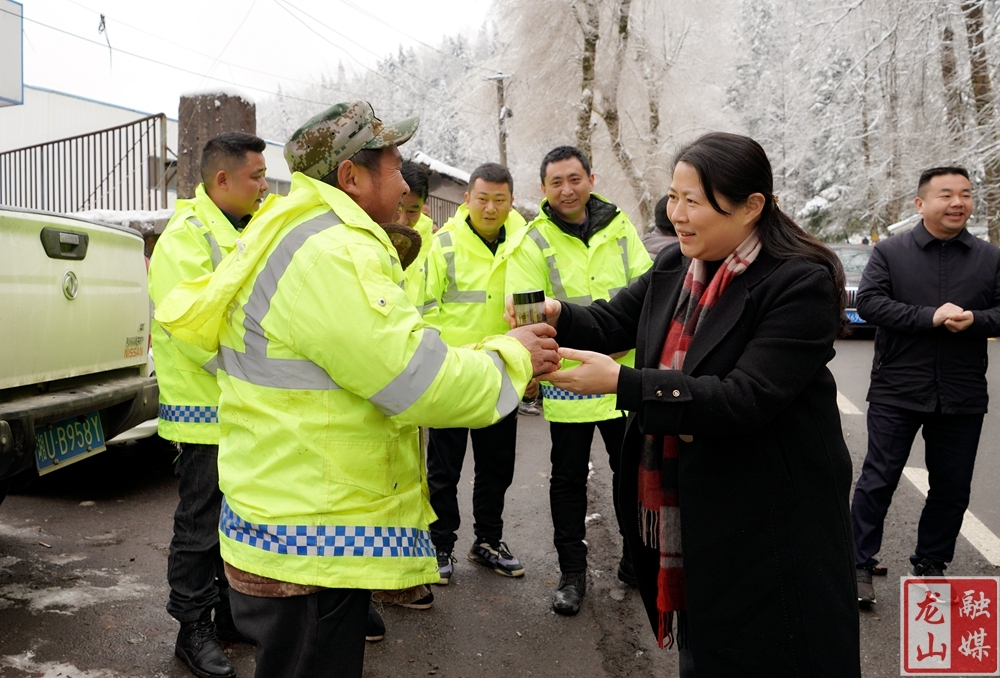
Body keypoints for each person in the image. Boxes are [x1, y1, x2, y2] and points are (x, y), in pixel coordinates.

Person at [154, 101, 560, 678]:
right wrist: (514, 357)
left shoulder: (301, 231)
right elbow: (416, 382)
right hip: (309, 538)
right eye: (395, 168)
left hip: (292, 516)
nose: (404, 184)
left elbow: (379, 356)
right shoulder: (332, 253)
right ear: (351, 176)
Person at [512, 132, 860, 676]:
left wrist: (625, 385)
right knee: (708, 648)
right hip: (697, 517)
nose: (678, 214)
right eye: (673, 197)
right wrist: (560, 313)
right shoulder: (678, 266)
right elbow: (613, 319)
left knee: (781, 652)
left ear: (751, 206)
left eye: (694, 201)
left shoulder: (799, 282)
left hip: (774, 522)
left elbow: (745, 399)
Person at [505, 146, 653, 616]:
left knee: (629, 473)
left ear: (591, 177)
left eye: (575, 179)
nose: (567, 190)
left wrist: (623, 352)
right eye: (556, 183)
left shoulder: (621, 227)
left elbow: (649, 294)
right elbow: (527, 316)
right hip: (568, 378)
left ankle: (635, 559)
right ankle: (573, 572)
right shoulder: (532, 241)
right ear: (543, 189)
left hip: (618, 377)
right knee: (567, 479)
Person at [148, 131, 269, 678]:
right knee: (199, 522)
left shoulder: (248, 227)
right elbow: (195, 328)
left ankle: (222, 616)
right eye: (256, 177)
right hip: (204, 404)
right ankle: (190, 627)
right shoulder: (186, 237)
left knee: (231, 517)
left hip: (241, 401)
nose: (265, 186)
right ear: (222, 180)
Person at [851, 167, 1000, 605]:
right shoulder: (890, 252)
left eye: (966, 195)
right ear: (921, 204)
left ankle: (932, 560)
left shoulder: (990, 257)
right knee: (878, 479)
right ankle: (858, 562)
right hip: (898, 387)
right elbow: (871, 304)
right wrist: (928, 316)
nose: (958, 203)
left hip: (962, 391)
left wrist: (977, 321)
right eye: (946, 195)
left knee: (953, 486)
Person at [422, 162, 528, 585]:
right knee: (443, 467)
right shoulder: (443, 244)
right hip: (451, 373)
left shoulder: (525, 242)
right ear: (467, 199)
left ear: (511, 201)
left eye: (499, 199)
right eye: (482, 198)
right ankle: (440, 544)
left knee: (496, 465)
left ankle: (488, 541)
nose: (490, 207)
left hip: (503, 372)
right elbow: (425, 307)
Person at [396, 161, 436, 314]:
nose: (402, 220)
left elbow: (430, 305)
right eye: (398, 206)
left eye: (412, 211)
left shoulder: (430, 245)